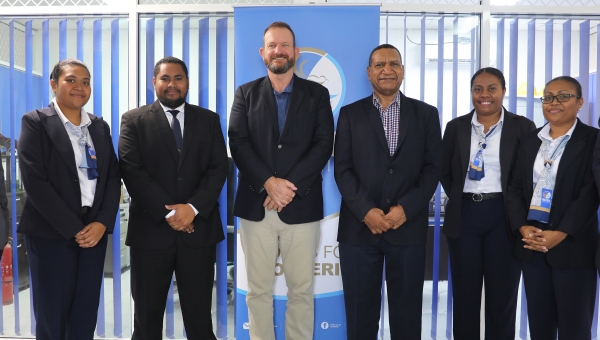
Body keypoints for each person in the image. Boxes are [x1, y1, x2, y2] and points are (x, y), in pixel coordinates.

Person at [228, 22, 334, 340]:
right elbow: (238, 142)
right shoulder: (245, 93)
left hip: (300, 205)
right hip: (256, 204)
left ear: (295, 52)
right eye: (272, 45)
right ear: (263, 52)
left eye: (285, 45)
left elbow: (322, 144)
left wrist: (286, 188)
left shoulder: (317, 94)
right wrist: (268, 183)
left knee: (300, 291)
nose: (279, 51)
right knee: (258, 291)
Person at [334, 43, 441, 339]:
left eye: (393, 63)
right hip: (359, 230)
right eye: (379, 65)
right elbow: (342, 169)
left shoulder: (427, 115)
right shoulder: (349, 115)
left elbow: (433, 168)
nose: (387, 70)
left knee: (407, 318)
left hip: (407, 230)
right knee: (360, 316)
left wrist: (405, 210)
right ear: (369, 73)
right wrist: (367, 211)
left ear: (403, 71)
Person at [119, 56, 228, 340]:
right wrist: (170, 213)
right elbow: (133, 172)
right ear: (154, 82)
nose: (172, 84)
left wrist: (192, 209)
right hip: (150, 234)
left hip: (198, 233)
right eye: (165, 78)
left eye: (178, 78)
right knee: (146, 317)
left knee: (200, 316)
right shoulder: (133, 120)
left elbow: (218, 169)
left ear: (187, 82)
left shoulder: (209, 120)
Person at [18, 59, 121, 339]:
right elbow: (35, 182)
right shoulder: (36, 122)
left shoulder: (99, 127)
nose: (79, 87)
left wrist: (101, 223)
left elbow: (112, 178)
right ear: (53, 84)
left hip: (94, 231)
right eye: (71, 80)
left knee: (85, 311)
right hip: (51, 232)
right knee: (52, 313)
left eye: (85, 82)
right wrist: (75, 228)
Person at [440, 67, 535, 339]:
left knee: (502, 296)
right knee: (465, 294)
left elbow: (526, 175)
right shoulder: (455, 126)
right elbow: (445, 171)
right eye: (478, 89)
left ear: (503, 91)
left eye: (492, 88)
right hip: (465, 215)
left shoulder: (522, 126)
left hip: (505, 216)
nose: (484, 95)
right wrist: (461, 196)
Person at [506, 76, 599, 340]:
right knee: (540, 327)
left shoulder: (593, 140)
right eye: (548, 96)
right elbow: (514, 187)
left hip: (573, 247)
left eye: (563, 96)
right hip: (533, 245)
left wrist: (561, 233)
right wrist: (522, 227)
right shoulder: (530, 139)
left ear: (579, 102)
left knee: (575, 328)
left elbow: (590, 193)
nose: (553, 102)